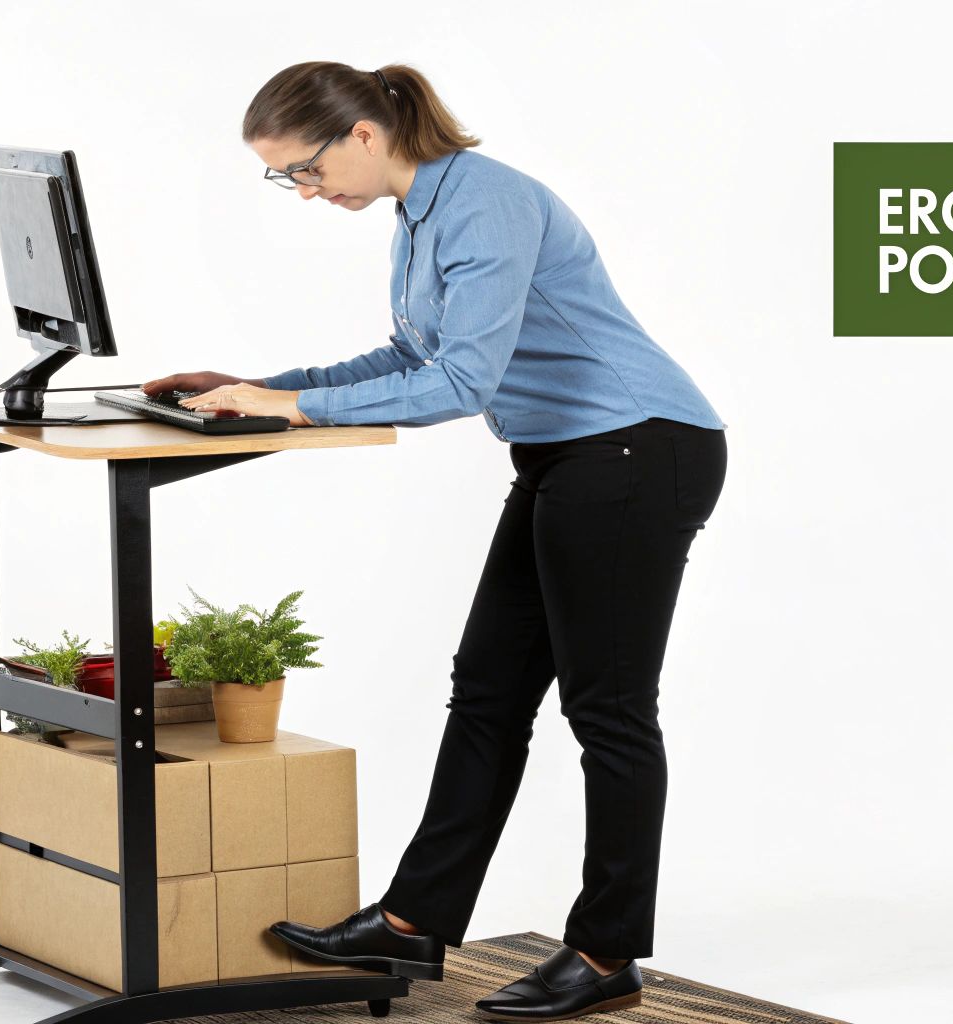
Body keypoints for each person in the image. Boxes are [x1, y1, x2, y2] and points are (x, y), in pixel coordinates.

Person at [141, 61, 727, 1022]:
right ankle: (415, 920)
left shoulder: (487, 204)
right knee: (488, 691)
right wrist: (255, 385)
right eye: (284, 178)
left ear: (364, 134)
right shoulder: (419, 215)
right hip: (564, 458)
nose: (303, 191)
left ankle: (609, 951)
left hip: (634, 451)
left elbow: (459, 385)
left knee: (607, 709)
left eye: (303, 169)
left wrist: (291, 407)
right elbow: (413, 356)